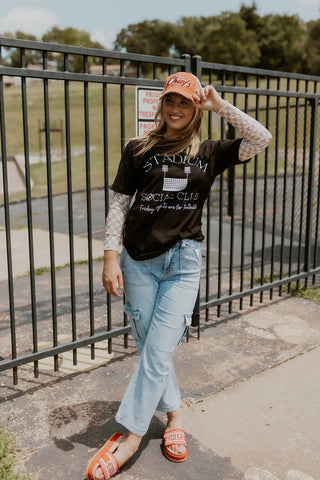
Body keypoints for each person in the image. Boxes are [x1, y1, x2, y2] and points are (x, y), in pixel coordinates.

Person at [86, 71, 272, 480]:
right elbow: (119, 204)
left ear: (195, 108)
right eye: (170, 101)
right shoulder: (138, 148)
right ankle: (174, 419)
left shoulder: (209, 151)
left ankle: (130, 436)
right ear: (161, 104)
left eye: (185, 102)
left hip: (183, 263)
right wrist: (110, 257)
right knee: (151, 345)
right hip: (137, 260)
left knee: (159, 346)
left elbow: (261, 138)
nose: (175, 109)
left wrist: (220, 105)